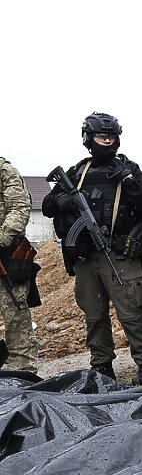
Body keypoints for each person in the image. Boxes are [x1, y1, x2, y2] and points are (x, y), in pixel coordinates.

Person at [42, 112, 142, 385]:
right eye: (101, 137)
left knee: (132, 313)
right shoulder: (78, 172)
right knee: (94, 315)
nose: (106, 141)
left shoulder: (129, 170)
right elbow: (49, 203)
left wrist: (129, 182)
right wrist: (63, 201)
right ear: (88, 139)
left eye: (111, 137)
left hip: (120, 255)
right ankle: (101, 365)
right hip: (87, 257)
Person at [0, 157, 38, 373]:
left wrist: (2, 238)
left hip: (6, 253)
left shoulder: (4, 171)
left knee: (14, 310)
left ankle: (22, 371)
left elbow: (19, 207)